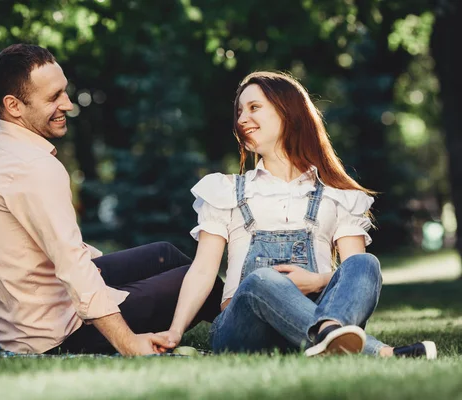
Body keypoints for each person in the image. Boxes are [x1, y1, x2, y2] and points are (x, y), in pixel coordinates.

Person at [157, 71, 436, 359]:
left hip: (317, 309)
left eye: (254, 108)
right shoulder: (225, 189)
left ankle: (329, 331)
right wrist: (175, 331)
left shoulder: (337, 195)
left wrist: (316, 282)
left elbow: (353, 276)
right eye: (239, 111)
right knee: (261, 280)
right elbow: (203, 270)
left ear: (288, 111)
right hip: (244, 330)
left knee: (366, 264)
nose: (241, 119)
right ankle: (378, 352)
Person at [0, 44, 223, 356]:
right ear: (14, 105)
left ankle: (247, 310)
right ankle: (258, 325)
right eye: (53, 98)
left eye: (64, 91)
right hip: (59, 335)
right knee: (196, 278)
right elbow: (73, 268)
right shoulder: (31, 167)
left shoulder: (5, 153)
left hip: (38, 309)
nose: (68, 104)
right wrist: (128, 344)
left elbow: (55, 249)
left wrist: (96, 270)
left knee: (164, 254)